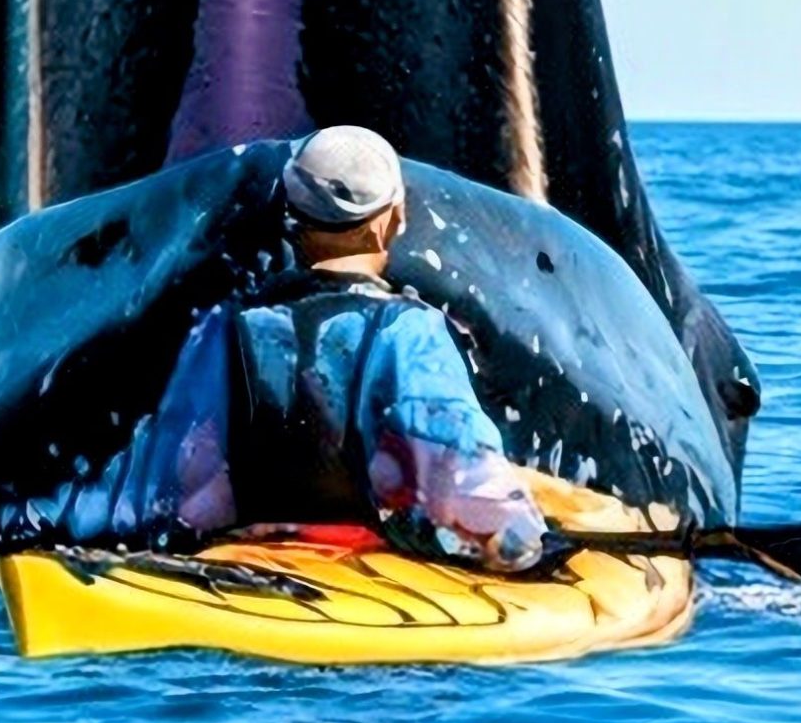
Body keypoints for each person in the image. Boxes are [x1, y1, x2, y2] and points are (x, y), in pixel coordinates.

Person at [63, 126, 548, 570]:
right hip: (363, 571)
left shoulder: (226, 325)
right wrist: (520, 538)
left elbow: (174, 475)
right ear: (391, 221)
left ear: (292, 220)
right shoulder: (409, 331)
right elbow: (460, 469)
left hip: (245, 559)